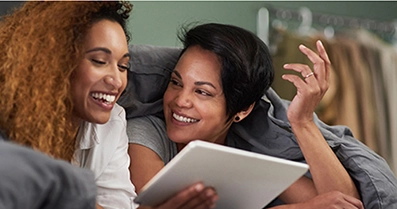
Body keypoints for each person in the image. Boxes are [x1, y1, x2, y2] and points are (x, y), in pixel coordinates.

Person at [124, 23, 395, 209]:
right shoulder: (145, 133)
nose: (180, 101)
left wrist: (302, 122)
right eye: (175, 82)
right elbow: (161, 206)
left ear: (242, 110)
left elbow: (344, 204)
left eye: (203, 92)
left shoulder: (248, 156)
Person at [0, 2, 217, 209]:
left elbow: (118, 204)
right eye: (99, 61)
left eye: (123, 66)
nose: (116, 80)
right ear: (54, 61)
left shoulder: (112, 123)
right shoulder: (9, 121)